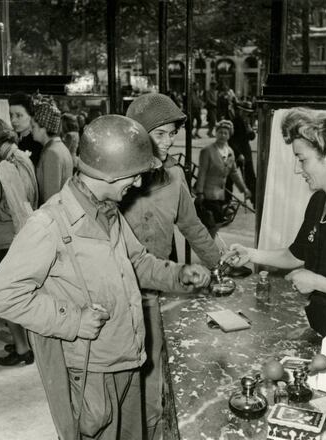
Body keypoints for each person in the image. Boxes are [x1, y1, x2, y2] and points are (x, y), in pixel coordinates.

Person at [0, 115, 211, 440]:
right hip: (93, 371)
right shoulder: (49, 225)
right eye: (133, 175)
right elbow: (4, 294)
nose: (137, 184)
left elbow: (137, 263)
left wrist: (179, 275)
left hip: (129, 357)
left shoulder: (109, 211)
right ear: (108, 172)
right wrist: (73, 321)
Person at [227, 108, 326, 394]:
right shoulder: (319, 201)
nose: (298, 169)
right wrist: (252, 253)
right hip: (322, 328)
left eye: (302, 159)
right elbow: (297, 255)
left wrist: (318, 282)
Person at [125, 92, 221, 439]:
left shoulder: (174, 180)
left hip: (161, 295)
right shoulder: (117, 183)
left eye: (171, 134)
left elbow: (193, 227)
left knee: (159, 383)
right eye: (160, 134)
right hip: (121, 301)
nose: (168, 142)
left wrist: (222, 265)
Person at [0, 118, 38, 367]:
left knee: (4, 295)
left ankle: (23, 349)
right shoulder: (23, 158)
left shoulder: (5, 166)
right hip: (19, 237)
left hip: (4, 239)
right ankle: (23, 342)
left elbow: (11, 208)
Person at [195, 119, 251, 238]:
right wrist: (199, 192)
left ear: (229, 135)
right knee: (215, 222)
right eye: (220, 132)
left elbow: (234, 173)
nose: (222, 135)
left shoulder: (230, 151)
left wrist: (244, 189)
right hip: (208, 194)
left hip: (221, 195)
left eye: (226, 133)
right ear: (216, 133)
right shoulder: (207, 151)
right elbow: (202, 172)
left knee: (215, 223)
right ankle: (209, 247)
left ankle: (208, 245)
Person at [32, 101, 73, 205]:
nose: (31, 131)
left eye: (33, 127)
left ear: (43, 127)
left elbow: (50, 199)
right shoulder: (61, 147)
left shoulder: (51, 153)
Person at [227, 100, 257, 206]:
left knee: (250, 178)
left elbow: (252, 137)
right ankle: (226, 200)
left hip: (246, 154)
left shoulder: (247, 122)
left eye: (247, 112)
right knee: (230, 178)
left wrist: (250, 130)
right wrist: (238, 153)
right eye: (244, 112)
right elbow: (230, 140)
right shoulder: (234, 122)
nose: (245, 114)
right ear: (239, 111)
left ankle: (255, 201)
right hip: (236, 154)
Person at [8, 92, 43, 167]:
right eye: (11, 115)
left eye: (18, 115)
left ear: (31, 116)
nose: (13, 120)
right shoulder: (10, 140)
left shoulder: (38, 144)